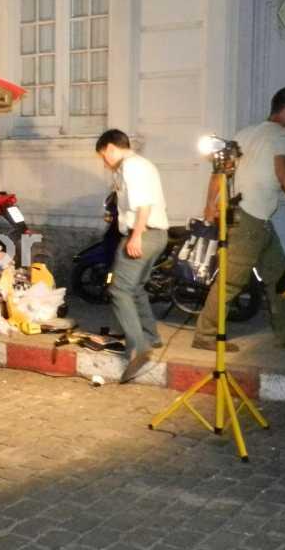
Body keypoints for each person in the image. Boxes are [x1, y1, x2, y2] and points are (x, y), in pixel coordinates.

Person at [193, 87, 285, 352]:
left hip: (254, 219)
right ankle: (205, 335)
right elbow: (284, 174)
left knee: (280, 277)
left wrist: (210, 204)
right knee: (231, 281)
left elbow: (220, 171)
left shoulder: (245, 133)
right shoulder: (282, 136)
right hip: (250, 220)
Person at [95, 129, 169, 382]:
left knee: (119, 289)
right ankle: (151, 336)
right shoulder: (140, 165)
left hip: (143, 233)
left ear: (110, 148)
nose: (104, 161)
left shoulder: (131, 166)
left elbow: (143, 203)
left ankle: (138, 348)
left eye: (103, 156)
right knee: (135, 288)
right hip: (157, 235)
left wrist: (136, 234)